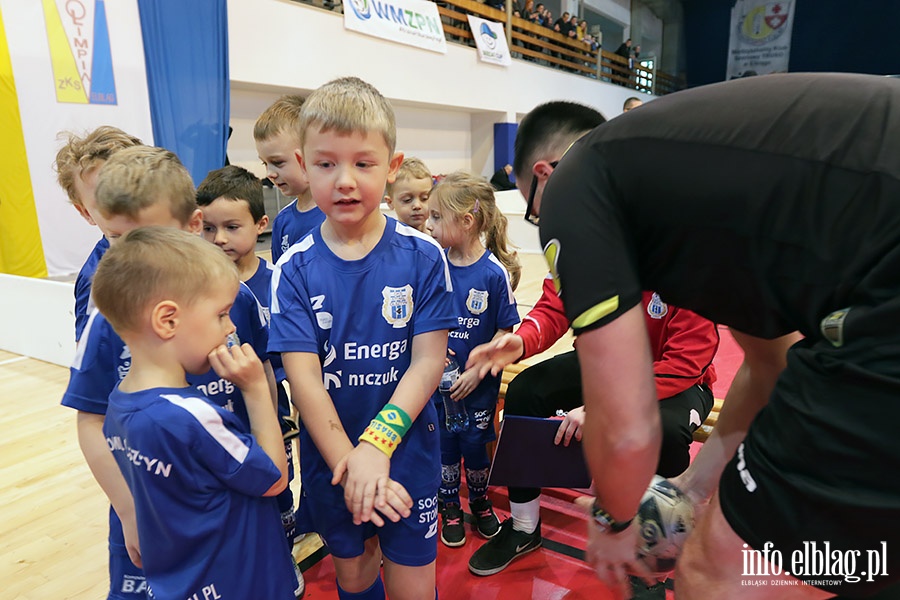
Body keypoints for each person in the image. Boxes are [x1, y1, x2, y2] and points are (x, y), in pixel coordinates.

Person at [531, 73, 900, 598]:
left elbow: (628, 426)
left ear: (542, 176)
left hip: (880, 292)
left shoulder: (575, 183)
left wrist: (614, 521)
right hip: (872, 280)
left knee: (714, 570)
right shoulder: (714, 206)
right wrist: (694, 486)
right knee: (855, 562)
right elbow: (769, 364)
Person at [60, 146, 301, 599]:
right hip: (154, 504)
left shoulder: (235, 300)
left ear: (191, 225)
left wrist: (267, 416)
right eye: (116, 238)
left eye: (150, 237)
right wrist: (130, 511)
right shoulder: (109, 318)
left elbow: (263, 374)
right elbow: (91, 418)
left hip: (242, 494)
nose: (135, 257)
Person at [269, 76, 456, 600]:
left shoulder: (424, 257)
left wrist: (378, 445)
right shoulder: (294, 270)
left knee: (415, 585)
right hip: (334, 461)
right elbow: (303, 381)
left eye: (363, 163)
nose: (345, 180)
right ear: (305, 166)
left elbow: (428, 363)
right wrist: (352, 463)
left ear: (392, 168)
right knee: (353, 576)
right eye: (327, 164)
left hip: (407, 456)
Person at [93, 227, 297, 599]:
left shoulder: (118, 406)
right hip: (243, 584)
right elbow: (274, 478)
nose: (232, 326)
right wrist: (254, 390)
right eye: (221, 314)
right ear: (167, 320)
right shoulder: (191, 416)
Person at [196, 165, 304, 554]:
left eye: (231, 227)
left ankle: (284, 553)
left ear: (260, 224)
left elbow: (292, 359)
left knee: (278, 484)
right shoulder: (194, 289)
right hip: (217, 415)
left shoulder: (281, 281)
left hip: (270, 408)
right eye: (208, 228)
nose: (219, 238)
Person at [424, 172, 521, 548]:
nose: (428, 225)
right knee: (445, 449)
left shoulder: (493, 273)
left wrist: (478, 369)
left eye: (436, 217)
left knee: (475, 449)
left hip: (477, 389)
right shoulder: (433, 265)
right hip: (438, 387)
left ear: (466, 221)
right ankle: (449, 506)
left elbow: (505, 330)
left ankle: (479, 503)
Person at [53, 126, 142, 341]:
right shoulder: (95, 280)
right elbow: (88, 365)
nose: (122, 206)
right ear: (85, 212)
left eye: (132, 188)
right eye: (105, 198)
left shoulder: (188, 244)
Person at [254, 94, 326, 263]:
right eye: (265, 163)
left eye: (277, 162)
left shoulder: (337, 216)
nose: (269, 174)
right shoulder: (282, 221)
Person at [384, 157, 434, 232]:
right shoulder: (392, 241)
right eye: (407, 200)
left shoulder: (438, 239)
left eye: (424, 198)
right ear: (390, 202)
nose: (417, 206)